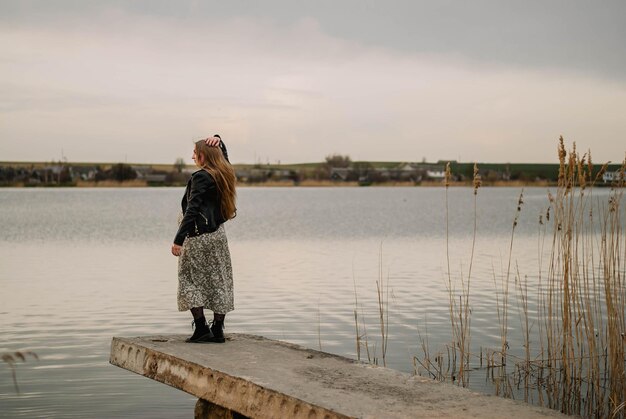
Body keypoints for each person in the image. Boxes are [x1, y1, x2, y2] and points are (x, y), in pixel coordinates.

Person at [171, 136, 236, 343]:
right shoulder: (224, 173)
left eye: (195, 153)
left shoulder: (201, 176)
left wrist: (178, 239)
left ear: (203, 156)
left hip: (198, 236)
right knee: (219, 279)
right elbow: (223, 158)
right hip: (217, 236)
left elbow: (193, 208)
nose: (192, 157)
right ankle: (217, 330)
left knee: (189, 279)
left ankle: (201, 328)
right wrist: (219, 140)